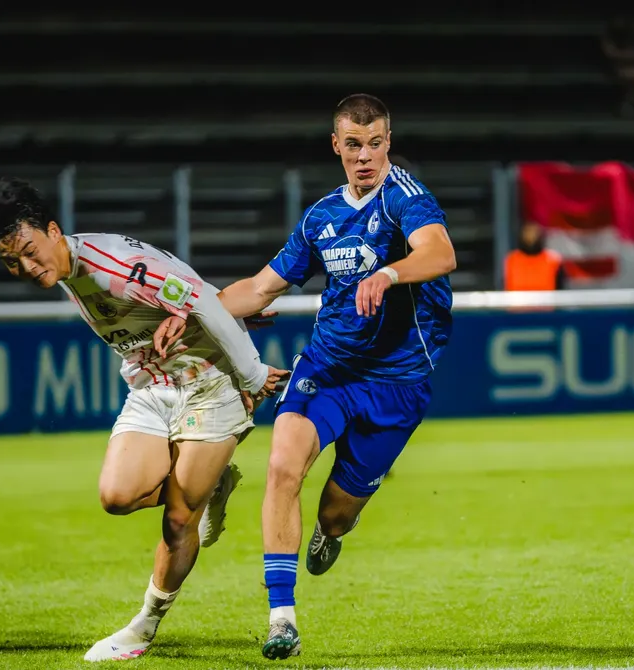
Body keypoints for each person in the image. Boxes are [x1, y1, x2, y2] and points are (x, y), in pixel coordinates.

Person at [0, 178, 289, 662]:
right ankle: (207, 485)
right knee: (116, 497)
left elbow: (198, 300)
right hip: (154, 386)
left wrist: (253, 374)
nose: (27, 268)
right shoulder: (71, 269)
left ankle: (143, 627)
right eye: (12, 262)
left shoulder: (110, 265)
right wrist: (203, 305)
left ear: (52, 231)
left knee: (179, 520)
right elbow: (186, 287)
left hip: (210, 381)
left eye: (30, 252)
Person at [217, 93, 456, 659]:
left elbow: (440, 253)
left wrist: (389, 273)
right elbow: (260, 288)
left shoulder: (406, 198)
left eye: (374, 144)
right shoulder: (321, 217)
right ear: (336, 146)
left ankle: (330, 533)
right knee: (282, 467)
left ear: (388, 142)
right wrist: (192, 312)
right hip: (327, 368)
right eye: (353, 145)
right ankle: (282, 620)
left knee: (335, 512)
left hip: (396, 385)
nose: (364, 156)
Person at [504, 221, 565, 291]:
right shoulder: (512, 259)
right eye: (527, 233)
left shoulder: (553, 259)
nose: (530, 237)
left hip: (545, 298)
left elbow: (560, 289)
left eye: (534, 233)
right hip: (517, 298)